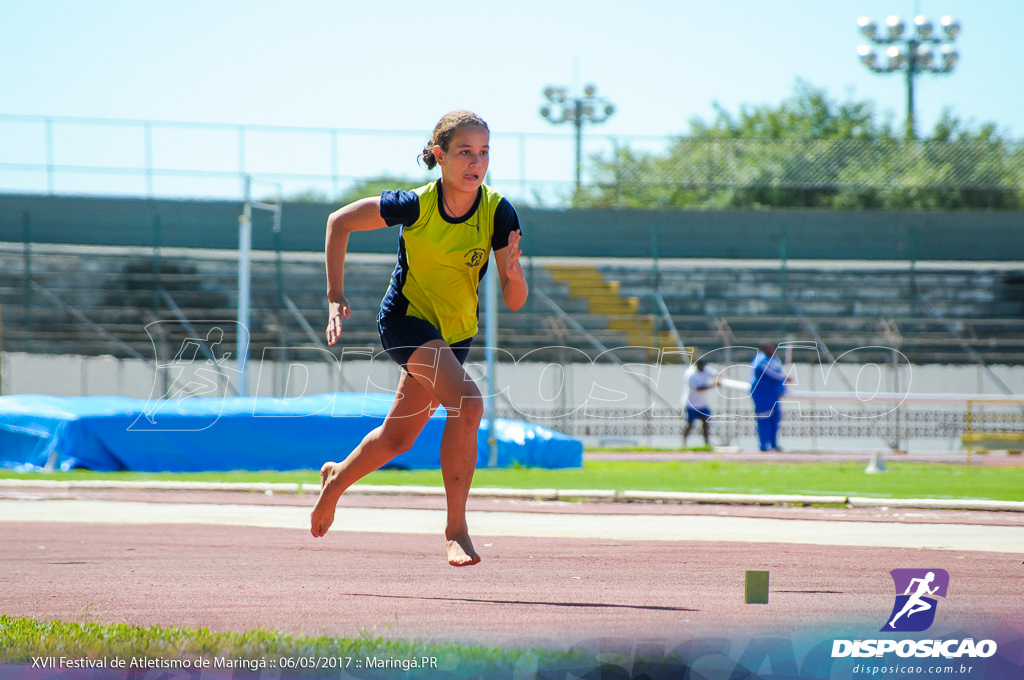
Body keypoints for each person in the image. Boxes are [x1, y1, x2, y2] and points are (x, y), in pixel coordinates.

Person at [310, 111, 528, 566]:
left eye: (484, 151)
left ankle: (336, 480)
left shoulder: (498, 211)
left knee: (397, 440)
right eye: (465, 151)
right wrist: (334, 295)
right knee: (468, 402)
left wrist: (513, 272)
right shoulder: (414, 204)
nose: (477, 161)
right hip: (406, 322)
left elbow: (514, 300)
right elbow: (339, 222)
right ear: (439, 156)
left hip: (455, 335)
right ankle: (456, 530)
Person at [749, 341, 787, 452]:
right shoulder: (761, 361)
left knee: (775, 419)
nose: (772, 350)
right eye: (769, 348)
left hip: (773, 394)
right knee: (764, 419)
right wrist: (784, 378)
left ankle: (773, 444)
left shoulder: (775, 359)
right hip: (762, 394)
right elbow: (772, 374)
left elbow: (778, 372)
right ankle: (764, 445)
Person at [681, 356, 719, 448]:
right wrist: (714, 385)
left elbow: (717, 375)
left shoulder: (706, 370)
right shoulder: (691, 375)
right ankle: (684, 444)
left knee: (706, 423)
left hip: (703, 404)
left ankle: (707, 444)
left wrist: (720, 379)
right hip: (692, 404)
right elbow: (699, 388)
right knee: (690, 425)